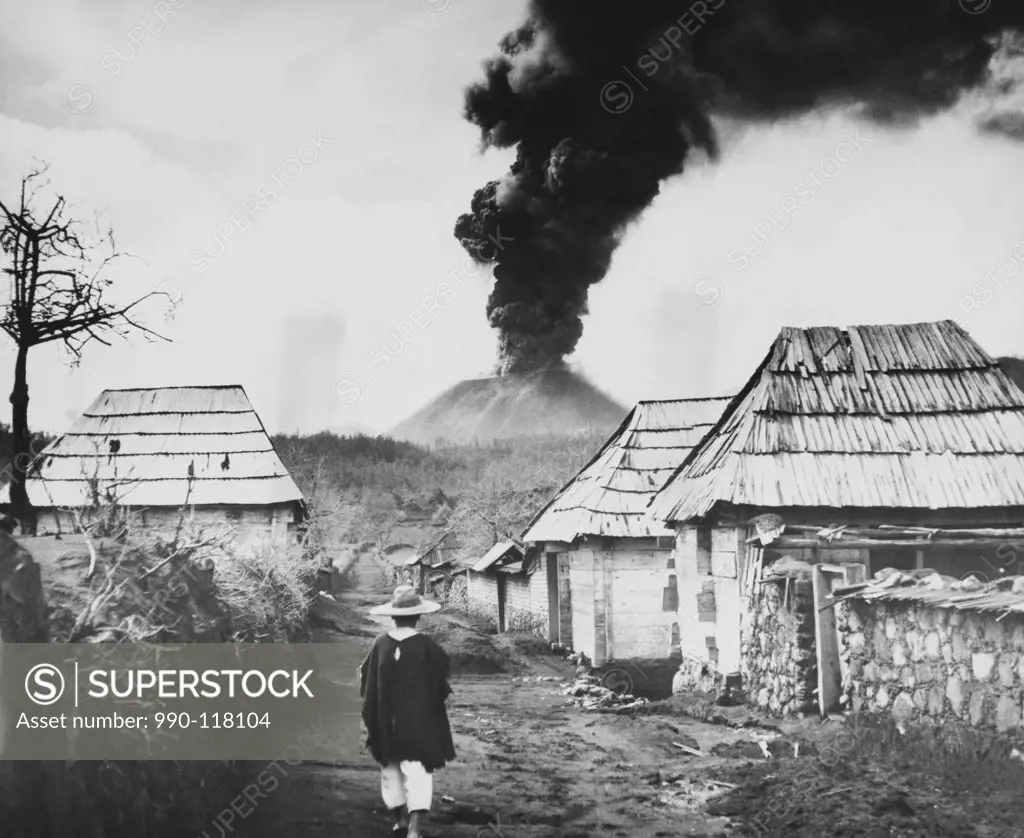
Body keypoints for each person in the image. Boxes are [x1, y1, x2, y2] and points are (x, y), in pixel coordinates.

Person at [359, 585, 455, 838]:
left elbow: (367, 681)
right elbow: (440, 681)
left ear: (393, 616)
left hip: (386, 722)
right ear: (418, 617)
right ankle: (414, 828)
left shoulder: (379, 644)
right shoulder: (427, 646)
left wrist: (373, 716)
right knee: (417, 771)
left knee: (390, 770)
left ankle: (399, 820)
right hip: (418, 723)